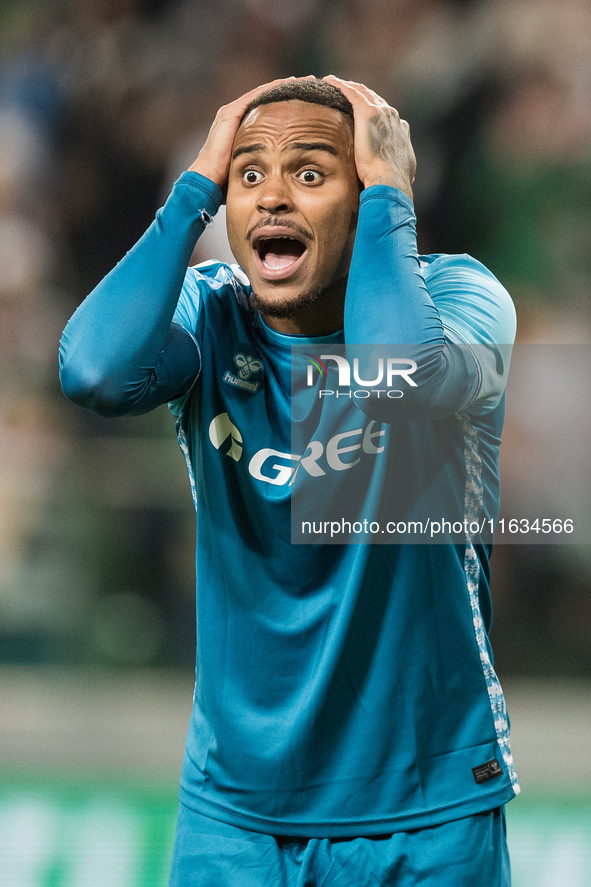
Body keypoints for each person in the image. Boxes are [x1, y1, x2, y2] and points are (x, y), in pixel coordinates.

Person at [59, 75, 518, 886]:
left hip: (425, 811)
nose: (271, 197)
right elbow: (95, 370)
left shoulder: (459, 297)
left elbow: (397, 379)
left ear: (369, 190)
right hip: (236, 811)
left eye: (310, 173)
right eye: (248, 174)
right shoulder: (210, 313)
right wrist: (191, 191)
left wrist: (390, 196)